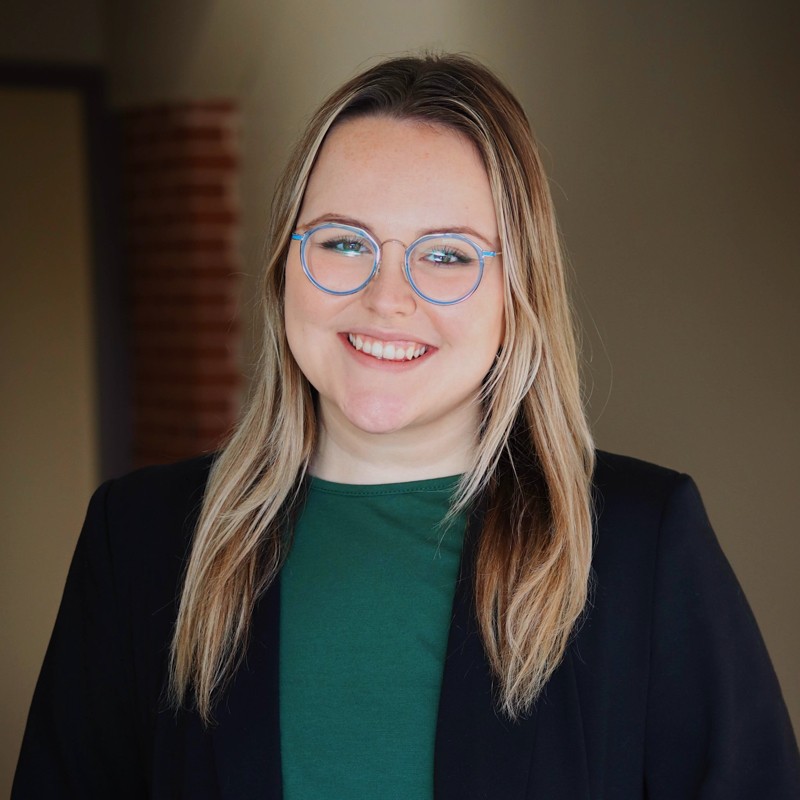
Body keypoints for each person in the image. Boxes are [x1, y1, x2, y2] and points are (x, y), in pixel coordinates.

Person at [12, 53, 800, 799]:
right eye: (345, 242)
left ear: (517, 294)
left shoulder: (638, 543)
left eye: (449, 256)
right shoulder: (142, 542)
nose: (388, 298)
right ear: (285, 269)